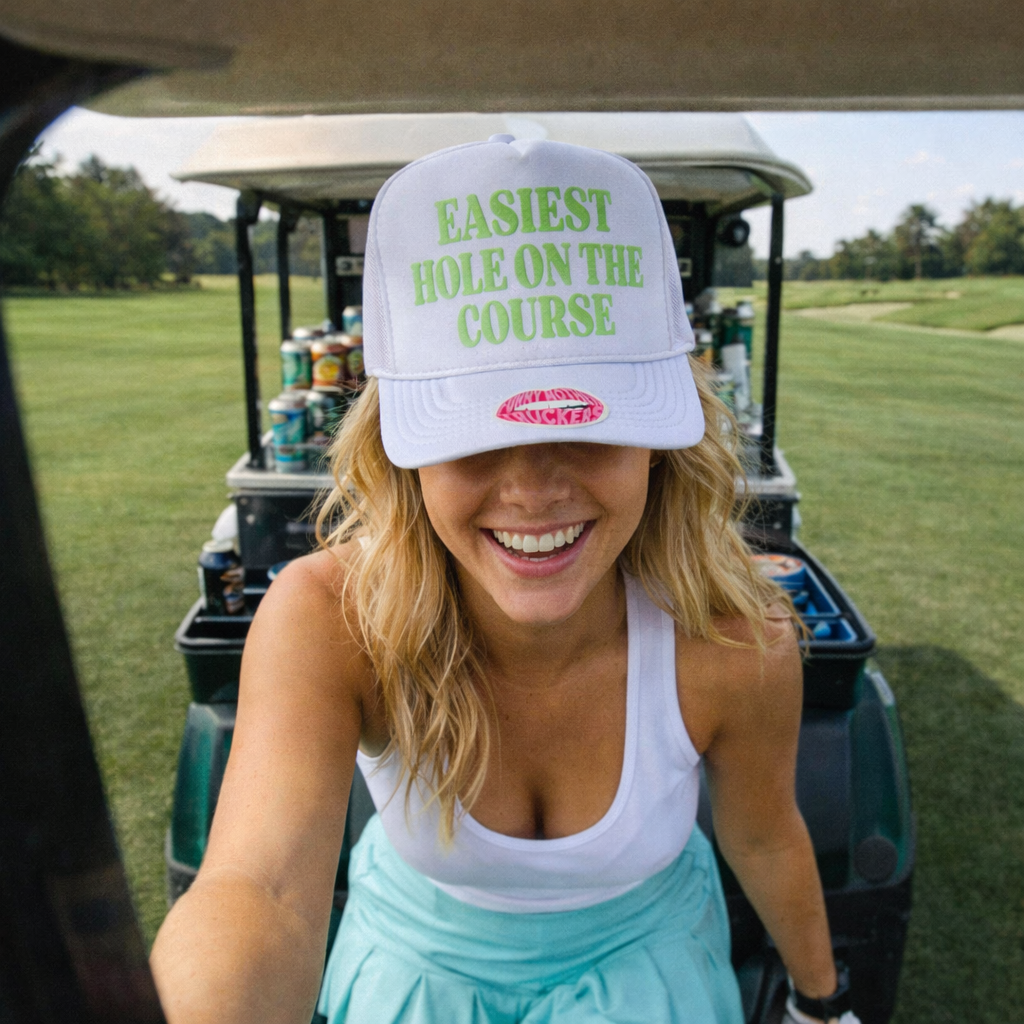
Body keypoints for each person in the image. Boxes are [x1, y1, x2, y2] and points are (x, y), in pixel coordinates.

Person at [151, 135, 859, 1024]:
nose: (530, 489)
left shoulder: (735, 635)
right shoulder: (330, 615)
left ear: (662, 439)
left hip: (649, 969)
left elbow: (762, 832)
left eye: (588, 420)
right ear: (399, 452)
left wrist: (819, 1004)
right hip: (415, 971)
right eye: (471, 430)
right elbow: (257, 889)